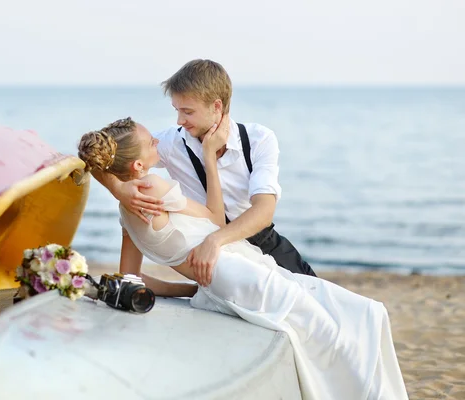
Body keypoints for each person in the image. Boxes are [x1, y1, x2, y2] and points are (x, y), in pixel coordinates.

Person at [77, 117, 408, 400]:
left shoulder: (126, 214)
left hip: (227, 277)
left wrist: (192, 290)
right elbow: (217, 220)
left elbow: (135, 280)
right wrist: (209, 158)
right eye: (151, 143)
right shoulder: (153, 186)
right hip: (237, 273)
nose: (158, 146)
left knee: (346, 317)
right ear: (138, 165)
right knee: (333, 330)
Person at [92, 59, 315, 288]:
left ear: (216, 106)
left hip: (262, 243)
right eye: (177, 110)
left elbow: (264, 211)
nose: (179, 120)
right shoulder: (171, 142)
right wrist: (119, 189)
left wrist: (215, 240)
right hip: (220, 261)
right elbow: (98, 155)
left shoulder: (260, 139)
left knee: (317, 295)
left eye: (187, 112)